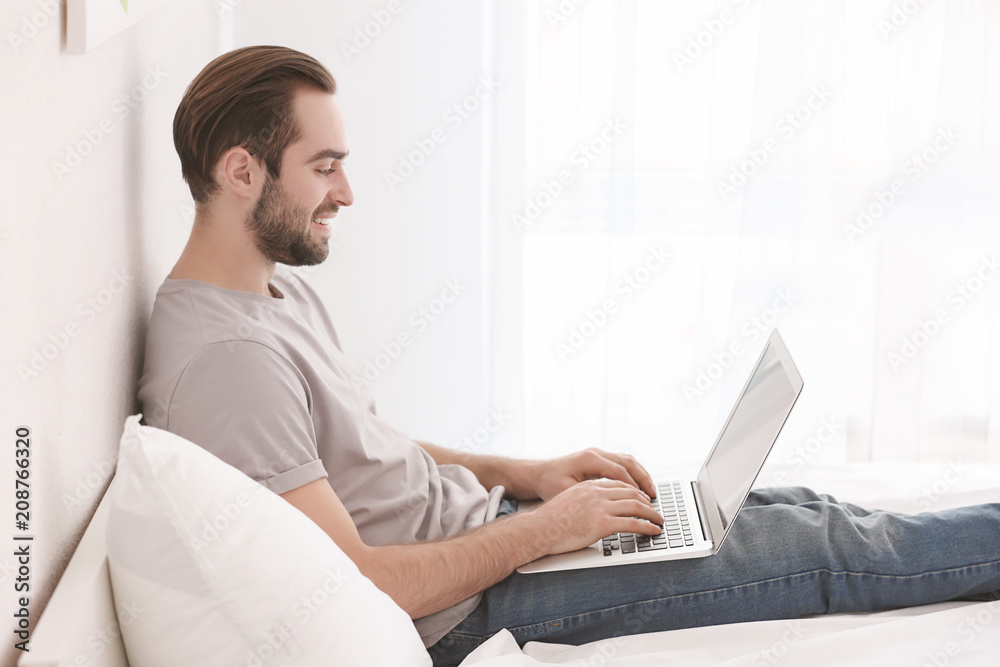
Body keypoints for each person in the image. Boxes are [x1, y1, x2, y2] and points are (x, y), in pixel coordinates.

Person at [137, 45, 1000, 666]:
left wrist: (529, 472)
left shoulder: (268, 291)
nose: (346, 192)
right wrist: (547, 528)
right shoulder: (224, 362)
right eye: (323, 166)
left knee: (794, 502)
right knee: (825, 545)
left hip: (490, 535)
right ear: (242, 171)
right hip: (468, 610)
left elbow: (364, 445)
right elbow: (363, 584)